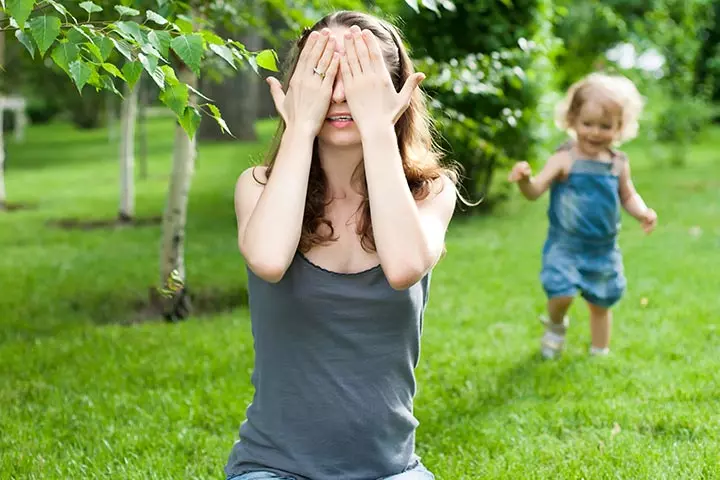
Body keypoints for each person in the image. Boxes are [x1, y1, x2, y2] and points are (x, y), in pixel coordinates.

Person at [225, 10, 460, 480]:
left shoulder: (430, 193)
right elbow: (269, 260)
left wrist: (376, 129)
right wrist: (300, 128)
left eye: (355, 77)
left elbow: (404, 266)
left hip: (391, 470)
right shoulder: (256, 186)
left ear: (394, 90)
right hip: (274, 469)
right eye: (321, 76)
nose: (336, 95)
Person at [508, 72, 657, 359]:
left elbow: (628, 195)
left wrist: (643, 213)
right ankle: (555, 325)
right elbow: (536, 190)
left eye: (605, 126)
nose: (595, 132)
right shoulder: (565, 159)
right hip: (566, 245)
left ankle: (600, 352)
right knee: (560, 292)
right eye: (587, 124)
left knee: (602, 300)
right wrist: (525, 180)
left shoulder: (617, 164)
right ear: (573, 120)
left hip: (603, 248)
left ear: (620, 127)